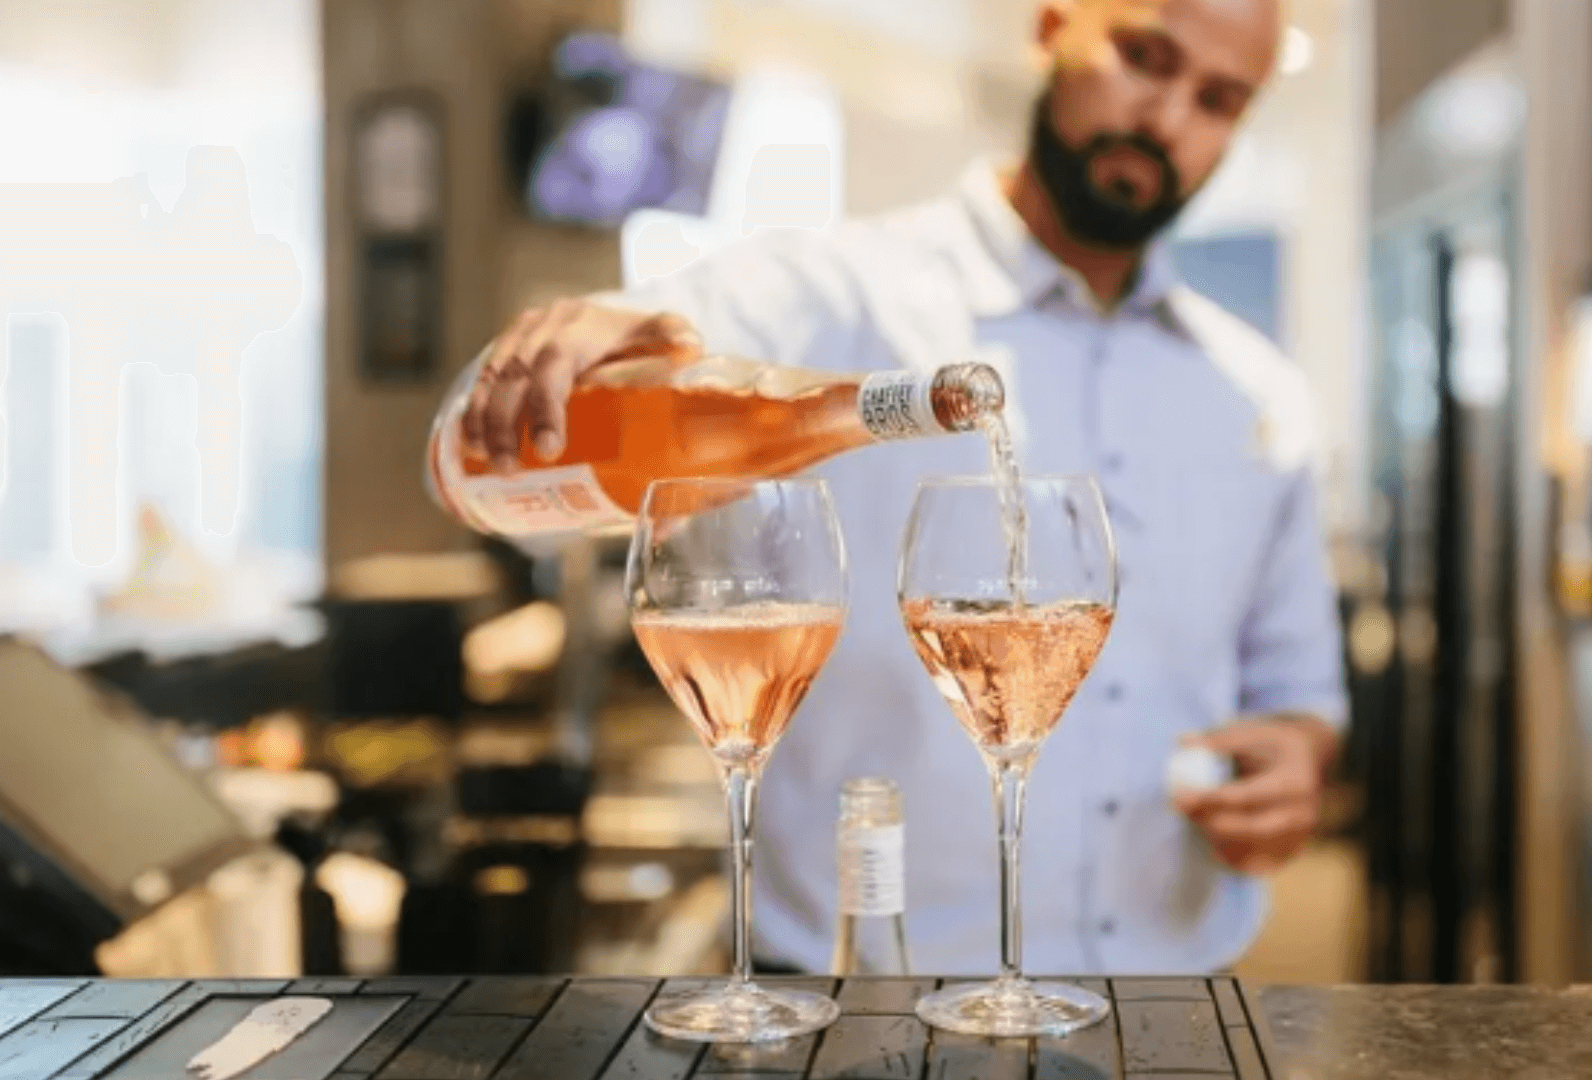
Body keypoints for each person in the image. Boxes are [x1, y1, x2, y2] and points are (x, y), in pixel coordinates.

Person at [459, 0, 1344, 974]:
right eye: (1143, 57)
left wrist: (1295, 761)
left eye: (1218, 100)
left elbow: (1298, 693)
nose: (1167, 118)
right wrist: (565, 361)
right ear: (1053, 27)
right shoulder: (828, 296)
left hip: (1176, 1003)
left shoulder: (1258, 396)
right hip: (859, 1008)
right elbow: (490, 441)